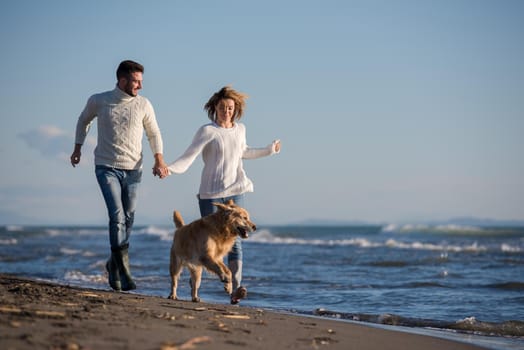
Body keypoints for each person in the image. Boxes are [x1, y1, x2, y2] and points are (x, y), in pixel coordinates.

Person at [166, 86, 281, 304]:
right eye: (222, 107)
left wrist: (269, 150)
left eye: (230, 107)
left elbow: (244, 152)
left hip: (235, 190)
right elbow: (189, 157)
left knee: (235, 241)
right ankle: (194, 289)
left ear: (235, 109)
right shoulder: (207, 131)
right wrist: (169, 168)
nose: (226, 111)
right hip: (210, 193)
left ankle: (235, 289)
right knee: (206, 243)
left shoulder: (240, 129)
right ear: (215, 108)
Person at [70, 60, 168, 292]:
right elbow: (83, 120)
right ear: (122, 80)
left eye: (141, 81)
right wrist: (77, 148)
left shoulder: (144, 104)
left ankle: (113, 264)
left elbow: (154, 133)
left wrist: (159, 159)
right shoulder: (99, 100)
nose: (140, 86)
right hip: (106, 166)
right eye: (136, 81)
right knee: (117, 215)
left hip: (134, 169)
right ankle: (124, 269)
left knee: (129, 216)